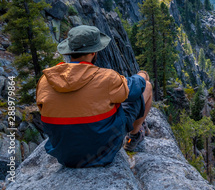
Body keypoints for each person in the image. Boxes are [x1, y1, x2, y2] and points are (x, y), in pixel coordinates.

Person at [36, 25, 153, 168]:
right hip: (102, 152)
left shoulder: (45, 80)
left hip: (66, 156)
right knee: (146, 87)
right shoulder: (106, 78)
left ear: (70, 51)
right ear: (93, 52)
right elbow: (136, 88)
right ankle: (134, 137)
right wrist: (143, 75)